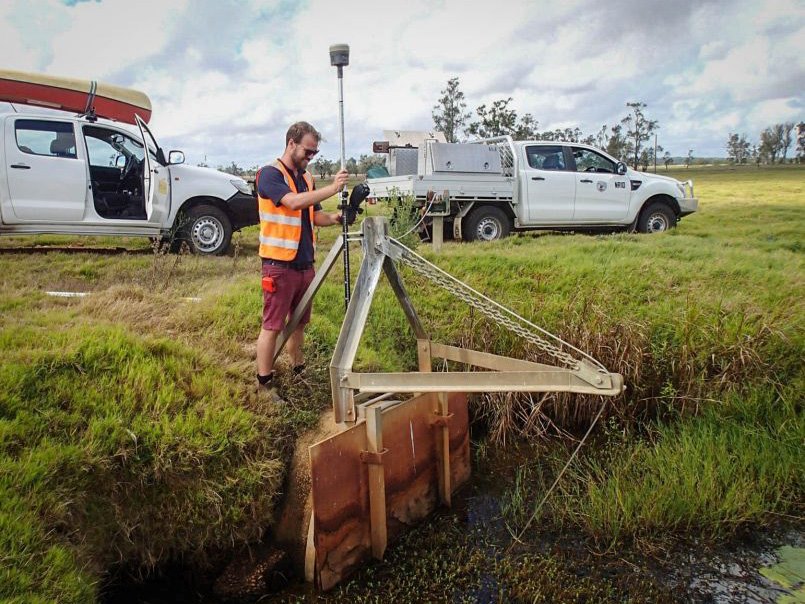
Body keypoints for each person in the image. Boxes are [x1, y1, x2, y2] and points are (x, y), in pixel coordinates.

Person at [255, 121, 348, 393]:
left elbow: (312, 214)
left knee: (298, 325)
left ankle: (298, 371)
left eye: (315, 153)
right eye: (308, 151)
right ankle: (264, 383)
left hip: (305, 264)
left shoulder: (306, 178)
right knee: (272, 325)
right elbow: (293, 203)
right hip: (278, 265)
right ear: (291, 143)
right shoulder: (269, 175)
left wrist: (333, 217)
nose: (310, 157)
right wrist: (333, 189)